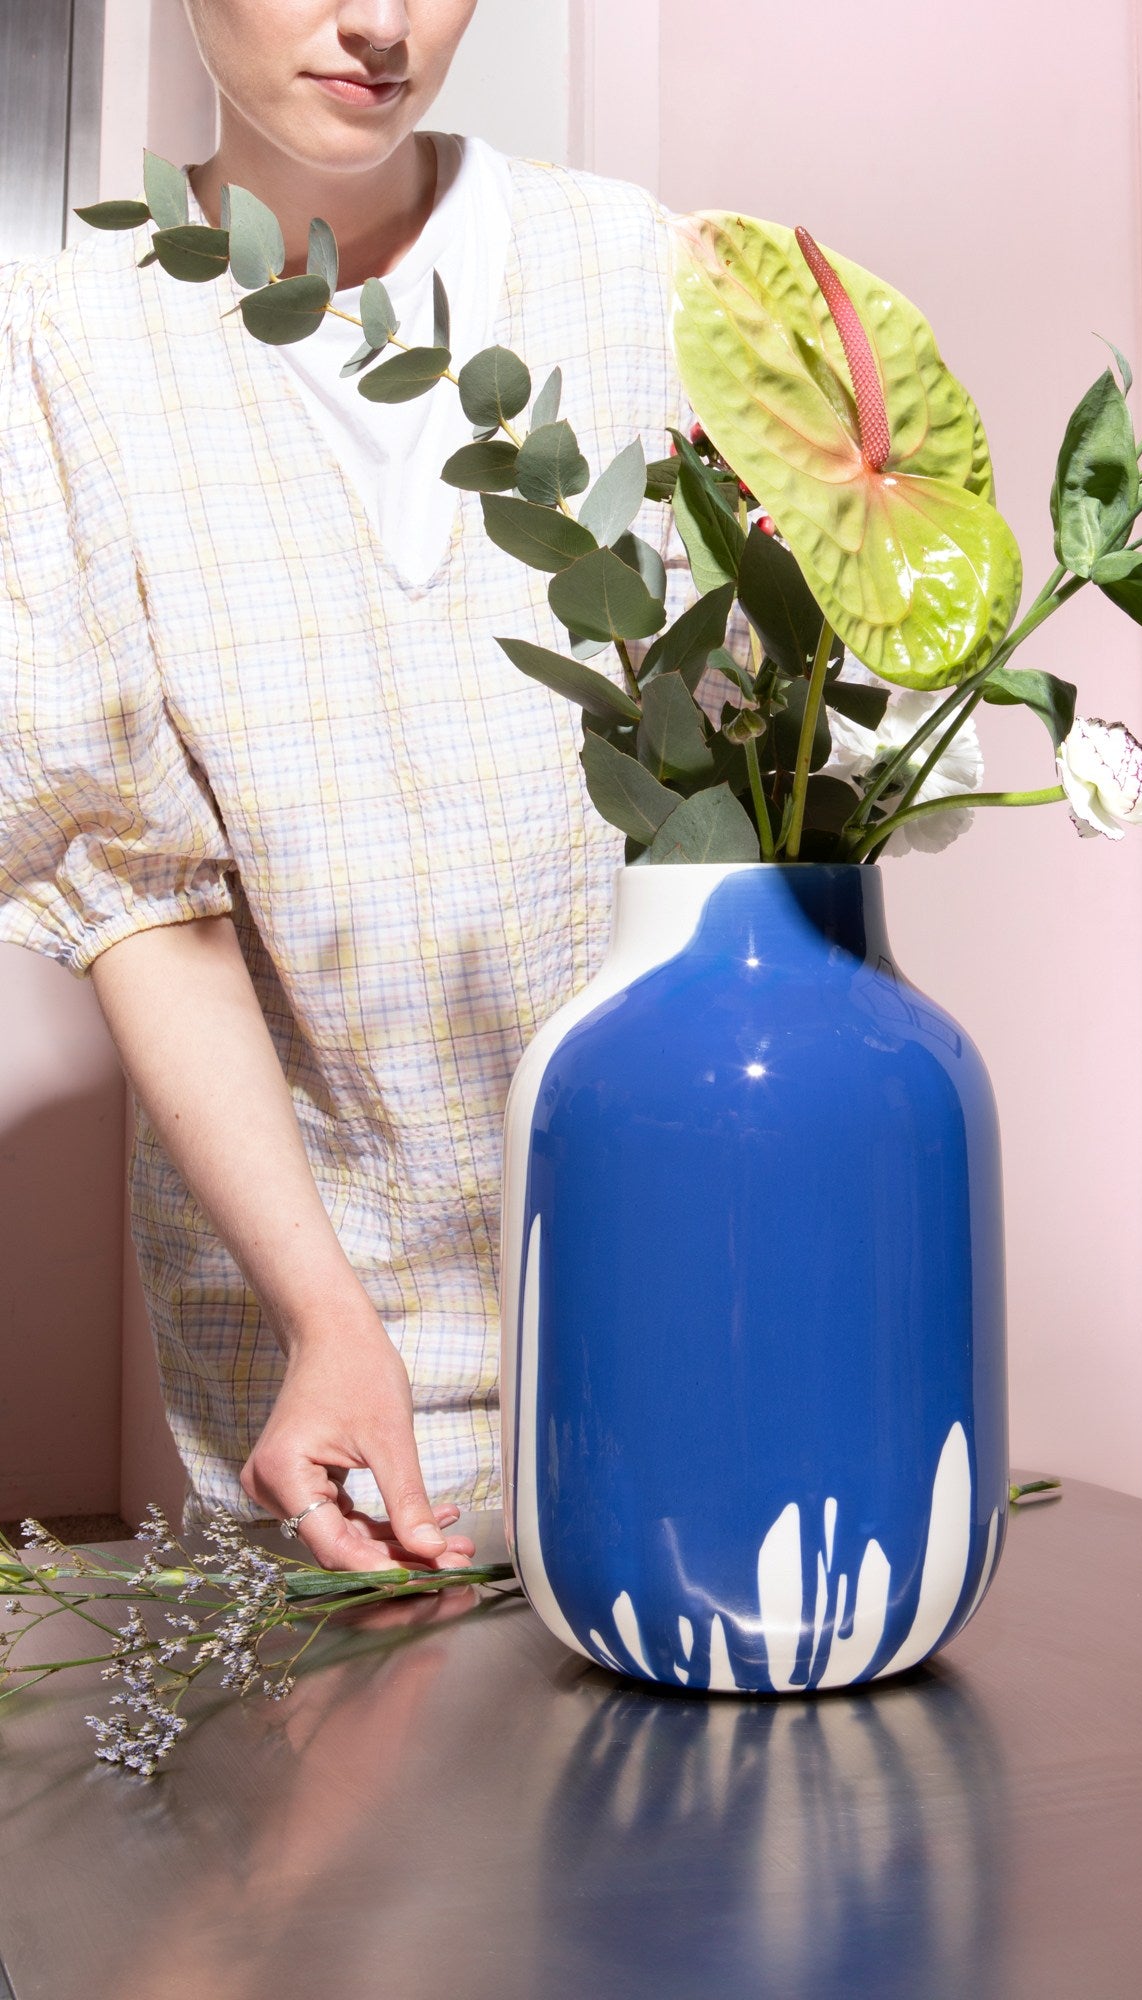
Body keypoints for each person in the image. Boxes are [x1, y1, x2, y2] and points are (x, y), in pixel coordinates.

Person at [0, 0, 698, 1571]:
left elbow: (768, 783)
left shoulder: (639, 271)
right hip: (317, 1332)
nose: (379, 24)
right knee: (386, 1730)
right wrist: (327, 1316)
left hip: (677, 1266)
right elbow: (143, 896)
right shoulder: (69, 344)